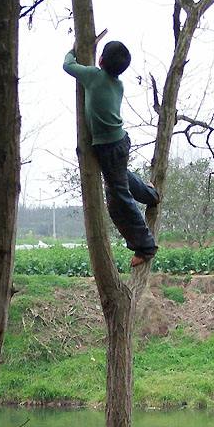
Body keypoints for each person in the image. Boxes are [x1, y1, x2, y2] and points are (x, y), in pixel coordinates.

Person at [63, 32, 159, 267]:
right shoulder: (118, 84)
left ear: (101, 61)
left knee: (118, 198)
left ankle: (146, 246)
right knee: (119, 178)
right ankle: (150, 196)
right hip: (118, 143)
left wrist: (74, 48)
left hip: (108, 147)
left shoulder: (93, 76)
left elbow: (67, 65)